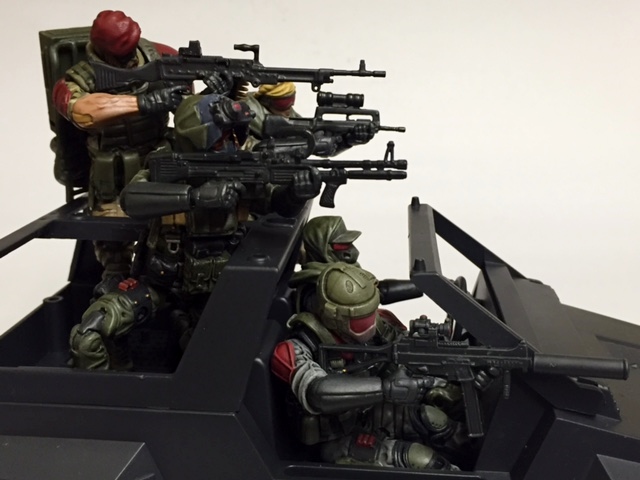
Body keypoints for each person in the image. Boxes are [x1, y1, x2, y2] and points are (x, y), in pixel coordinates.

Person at [69, 94, 321, 370]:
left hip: (217, 294)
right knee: (89, 334)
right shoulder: (165, 160)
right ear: (197, 139)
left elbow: (276, 203)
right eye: (222, 138)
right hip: (159, 285)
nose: (232, 143)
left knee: (212, 360)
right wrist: (194, 197)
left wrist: (294, 194)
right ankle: (116, 383)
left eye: (234, 135)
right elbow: (131, 199)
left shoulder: (244, 162)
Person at [271, 262, 464, 470]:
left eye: (372, 313)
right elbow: (317, 392)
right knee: (422, 461)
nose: (371, 324)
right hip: (334, 438)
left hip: (371, 412)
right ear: (336, 318)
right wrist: (386, 388)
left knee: (435, 421)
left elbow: (404, 349)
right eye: (361, 321)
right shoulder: (296, 348)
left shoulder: (378, 323)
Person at [52, 10, 186, 285]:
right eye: (123, 54)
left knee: (175, 228)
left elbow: (190, 113)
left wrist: (218, 93)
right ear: (104, 52)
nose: (131, 58)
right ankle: (116, 278)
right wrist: (144, 103)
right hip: (113, 174)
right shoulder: (78, 79)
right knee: (113, 241)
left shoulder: (163, 56)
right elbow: (83, 111)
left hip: (158, 163)